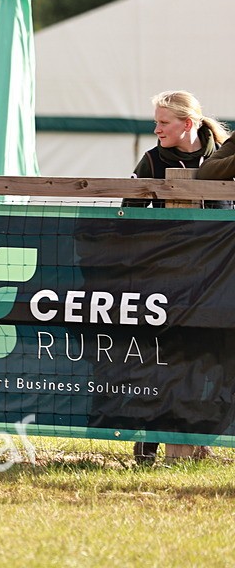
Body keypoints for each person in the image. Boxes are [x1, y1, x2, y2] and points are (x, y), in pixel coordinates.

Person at [124, 90, 231, 464]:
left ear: (188, 124)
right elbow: (128, 220)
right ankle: (148, 445)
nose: (156, 129)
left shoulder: (223, 156)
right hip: (167, 281)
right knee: (162, 362)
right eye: (155, 122)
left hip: (220, 281)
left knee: (215, 362)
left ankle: (202, 444)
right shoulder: (151, 162)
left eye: (163, 123)